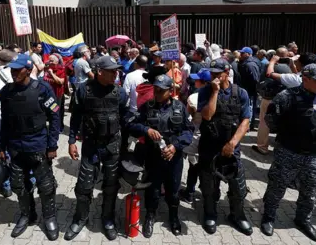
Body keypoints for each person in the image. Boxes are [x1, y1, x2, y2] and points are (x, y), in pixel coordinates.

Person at [261, 64, 316, 242]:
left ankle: (303, 220)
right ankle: (269, 217)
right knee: (277, 186)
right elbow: (272, 122)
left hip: (315, 154)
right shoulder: (286, 97)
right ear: (305, 79)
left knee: (311, 191)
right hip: (289, 152)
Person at [66, 56, 128, 241]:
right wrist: (71, 141)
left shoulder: (120, 92)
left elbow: (125, 119)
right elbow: (75, 117)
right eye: (111, 70)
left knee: (111, 186)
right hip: (91, 146)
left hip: (112, 146)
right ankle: (80, 218)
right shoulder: (83, 90)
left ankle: (107, 219)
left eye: (116, 70)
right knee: (84, 186)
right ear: (100, 71)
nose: (115, 74)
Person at [0, 54, 60, 240]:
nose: (14, 73)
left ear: (28, 69)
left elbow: (55, 117)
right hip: (16, 146)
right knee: (18, 184)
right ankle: (27, 214)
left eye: (18, 70)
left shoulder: (42, 89)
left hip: (38, 144)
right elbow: (5, 121)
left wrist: (52, 145)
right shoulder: (6, 91)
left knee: (46, 185)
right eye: (12, 70)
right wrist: (2, 146)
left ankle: (49, 217)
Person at [126, 74, 193, 237]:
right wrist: (146, 130)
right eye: (155, 89)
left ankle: (174, 216)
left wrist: (176, 146)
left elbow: (189, 130)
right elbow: (131, 124)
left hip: (173, 158)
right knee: (152, 188)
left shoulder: (180, 107)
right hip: (153, 157)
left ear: (170, 91)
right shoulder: (147, 106)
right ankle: (150, 215)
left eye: (161, 90)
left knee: (173, 189)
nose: (156, 92)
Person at [198, 59, 253, 236]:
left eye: (217, 73)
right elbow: (207, 116)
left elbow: (246, 121)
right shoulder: (205, 91)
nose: (214, 76)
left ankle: (237, 215)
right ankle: (210, 213)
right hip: (209, 147)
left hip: (231, 147)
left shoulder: (241, 93)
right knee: (209, 186)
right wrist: (215, 92)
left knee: (238, 186)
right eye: (212, 73)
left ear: (227, 71)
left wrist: (232, 143)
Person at [179, 68, 211, 203]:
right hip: (211, 138)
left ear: (202, 82)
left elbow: (188, 117)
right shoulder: (217, 96)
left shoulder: (193, 97)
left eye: (197, 79)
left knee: (193, 165)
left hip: (196, 135)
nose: (194, 81)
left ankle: (190, 192)